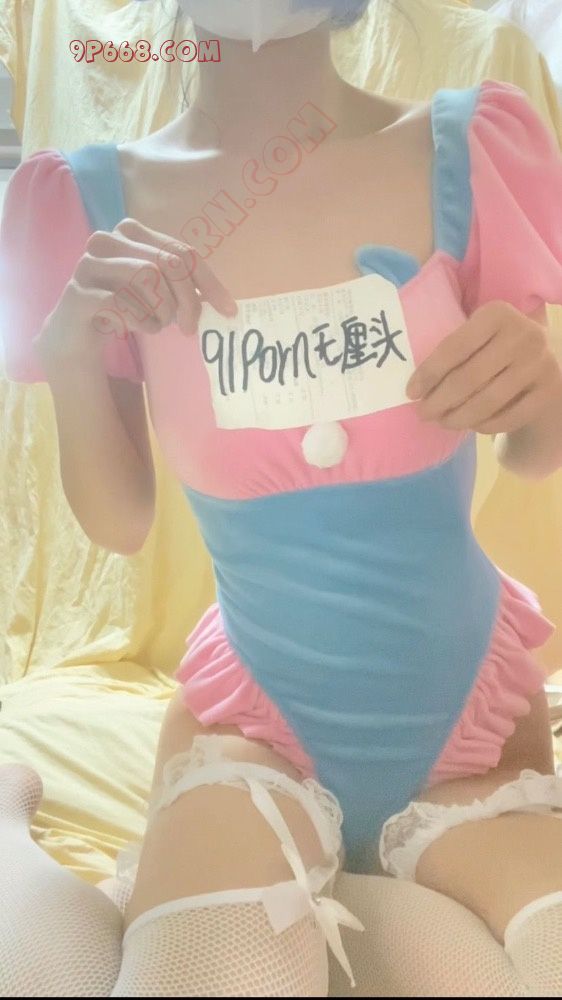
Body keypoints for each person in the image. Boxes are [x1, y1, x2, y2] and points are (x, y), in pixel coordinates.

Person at [1, 1, 562, 995]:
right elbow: (120, 523)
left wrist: (547, 385)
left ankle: (346, 890)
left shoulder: (466, 151)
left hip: (472, 730)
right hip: (257, 731)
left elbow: (530, 453)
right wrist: (71, 356)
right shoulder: (91, 207)